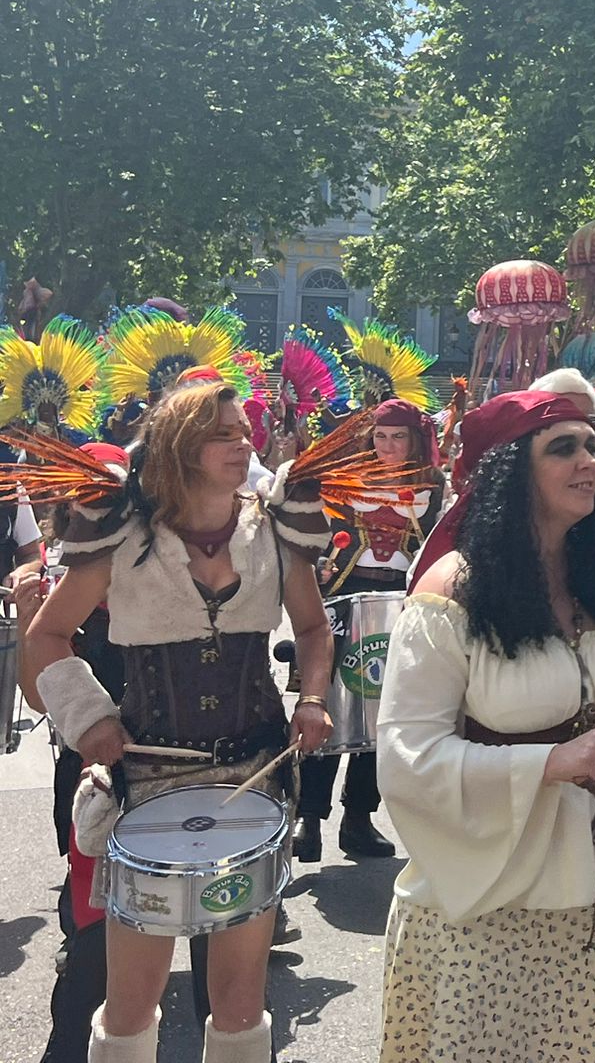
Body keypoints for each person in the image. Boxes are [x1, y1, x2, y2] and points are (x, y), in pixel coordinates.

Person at [373, 389, 595, 1062]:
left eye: (592, 446)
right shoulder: (449, 594)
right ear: (510, 472)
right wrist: (550, 763)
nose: (590, 462)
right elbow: (405, 757)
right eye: (562, 448)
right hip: (493, 914)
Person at [22, 378, 337, 1063]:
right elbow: (47, 636)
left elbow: (313, 627)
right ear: (179, 444)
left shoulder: (272, 529)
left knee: (240, 994)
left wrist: (312, 699)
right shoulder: (120, 534)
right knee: (132, 995)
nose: (244, 442)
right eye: (223, 432)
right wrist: (90, 720)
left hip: (255, 781)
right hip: (148, 786)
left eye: (244, 431)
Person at [296, 396, 444, 864]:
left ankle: (358, 818)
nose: (388, 446)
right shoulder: (345, 481)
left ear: (415, 440)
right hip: (344, 596)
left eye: (398, 437)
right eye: (380, 436)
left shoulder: (433, 486)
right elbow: (317, 535)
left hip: (401, 601)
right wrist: (317, 566)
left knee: (382, 710)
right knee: (327, 702)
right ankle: (309, 817)